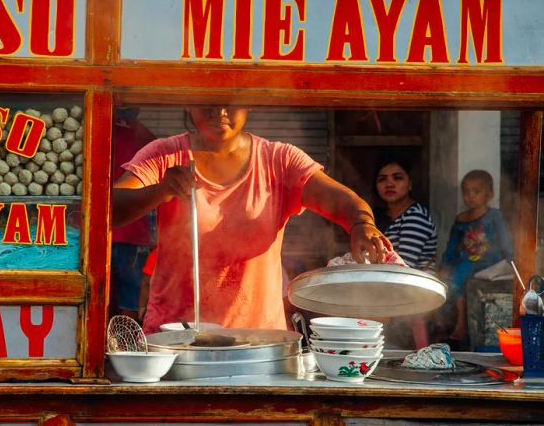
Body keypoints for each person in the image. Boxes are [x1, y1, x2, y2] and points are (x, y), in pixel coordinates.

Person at [112, 105, 393, 334]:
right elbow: (111, 208)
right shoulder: (163, 155)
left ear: (249, 103)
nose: (219, 111)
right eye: (207, 100)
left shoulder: (279, 160)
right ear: (188, 101)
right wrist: (160, 190)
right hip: (175, 335)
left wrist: (361, 224)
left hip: (258, 338)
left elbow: (342, 201)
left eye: (231, 100)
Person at [437, 169, 514, 347]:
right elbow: (451, 246)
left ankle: (461, 324)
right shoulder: (461, 219)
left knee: (457, 275)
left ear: (489, 194)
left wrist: (511, 260)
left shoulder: (494, 216)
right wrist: (444, 265)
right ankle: (442, 323)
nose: (470, 196)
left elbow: (504, 240)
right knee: (446, 276)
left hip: (488, 260)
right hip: (464, 260)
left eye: (476, 191)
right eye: (466, 191)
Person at [374, 153, 438, 349]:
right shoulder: (391, 218)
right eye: (382, 179)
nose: (389, 183)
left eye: (397, 177)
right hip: (398, 302)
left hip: (412, 306)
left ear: (410, 184)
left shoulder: (414, 217)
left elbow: (403, 268)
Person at [110, 108, 157, 322]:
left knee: (100, 295)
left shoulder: (98, 126)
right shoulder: (143, 135)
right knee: (131, 296)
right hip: (133, 234)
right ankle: (125, 344)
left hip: (101, 231)